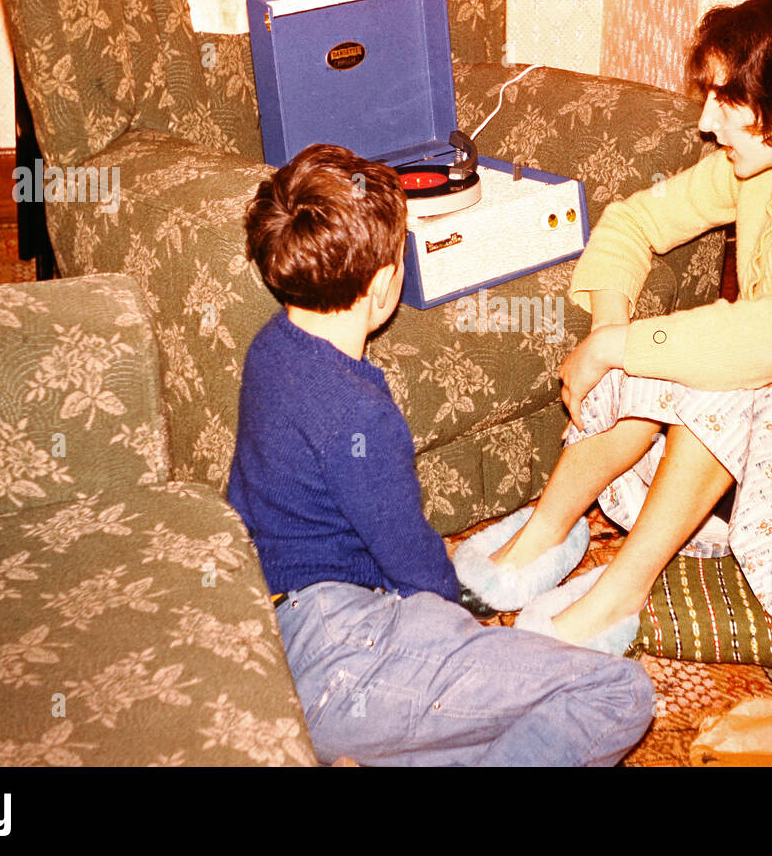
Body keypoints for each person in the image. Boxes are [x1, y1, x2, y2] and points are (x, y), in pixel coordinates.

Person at [454, 0, 772, 655]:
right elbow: (634, 221)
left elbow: (767, 345)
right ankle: (549, 530)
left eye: (728, 99)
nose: (706, 121)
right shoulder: (770, 164)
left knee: (721, 369)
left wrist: (616, 347)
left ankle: (619, 597)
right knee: (670, 345)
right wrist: (610, 332)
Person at [226, 143, 654, 766]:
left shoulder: (270, 347)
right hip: (344, 651)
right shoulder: (358, 410)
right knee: (617, 692)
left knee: (490, 717)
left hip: (276, 632)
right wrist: (458, 625)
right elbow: (411, 558)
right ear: (381, 286)